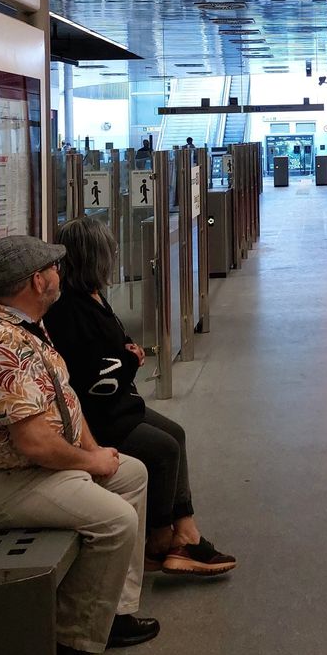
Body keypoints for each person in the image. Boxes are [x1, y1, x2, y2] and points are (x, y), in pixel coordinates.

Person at [0, 235, 159, 655]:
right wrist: (88, 461)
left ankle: (114, 611)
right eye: (53, 268)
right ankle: (69, 646)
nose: (60, 274)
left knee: (132, 474)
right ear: (37, 281)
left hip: (28, 470)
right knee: (116, 520)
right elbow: (36, 442)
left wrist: (98, 456)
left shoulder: (27, 327)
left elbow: (67, 404)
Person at [45, 217, 238, 577]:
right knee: (163, 451)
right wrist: (127, 362)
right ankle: (161, 540)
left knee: (175, 435)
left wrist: (124, 356)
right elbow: (88, 377)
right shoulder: (68, 309)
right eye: (109, 250)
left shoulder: (94, 296)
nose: (115, 255)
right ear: (94, 257)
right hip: (100, 414)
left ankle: (185, 533)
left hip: (120, 403)